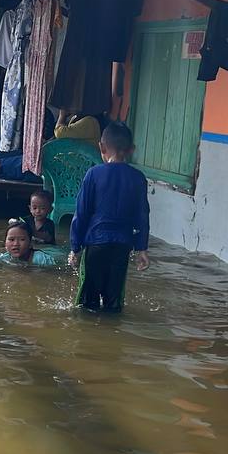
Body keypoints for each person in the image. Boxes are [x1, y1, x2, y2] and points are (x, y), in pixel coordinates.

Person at [68, 123, 150, 312]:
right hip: (122, 246)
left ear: (101, 147)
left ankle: (88, 335)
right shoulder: (138, 178)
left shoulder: (94, 174)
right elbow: (142, 216)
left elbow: (81, 214)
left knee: (87, 302)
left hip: (95, 244)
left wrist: (75, 248)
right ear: (131, 150)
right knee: (114, 301)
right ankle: (112, 330)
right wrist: (141, 248)